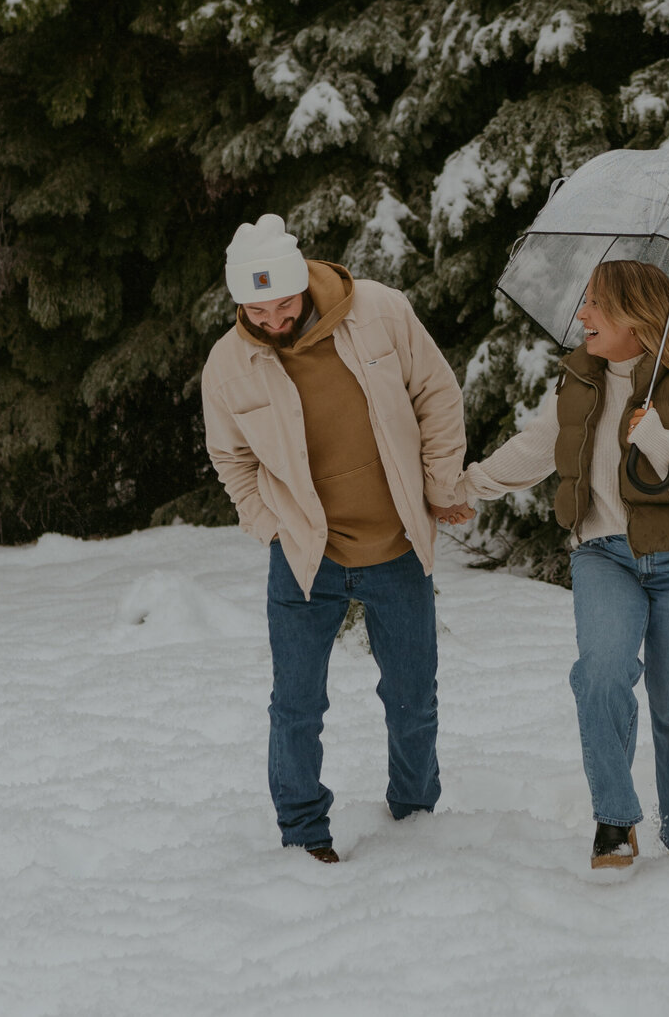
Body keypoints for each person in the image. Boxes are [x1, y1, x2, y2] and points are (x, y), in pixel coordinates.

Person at [449, 259, 669, 870]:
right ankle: (615, 818)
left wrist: (660, 440)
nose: (582, 313)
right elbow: (536, 448)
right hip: (604, 556)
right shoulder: (580, 383)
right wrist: (469, 486)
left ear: (638, 319)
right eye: (584, 302)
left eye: (596, 305)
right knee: (602, 674)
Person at [201, 213, 469, 862]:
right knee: (296, 704)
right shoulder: (228, 364)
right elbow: (231, 458)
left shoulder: (379, 311)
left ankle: (413, 812)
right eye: (256, 311)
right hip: (302, 556)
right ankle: (303, 835)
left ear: (303, 284)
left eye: (284, 304)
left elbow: (437, 393)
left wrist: (440, 484)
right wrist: (268, 525)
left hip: (396, 545)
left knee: (412, 696)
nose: (272, 320)